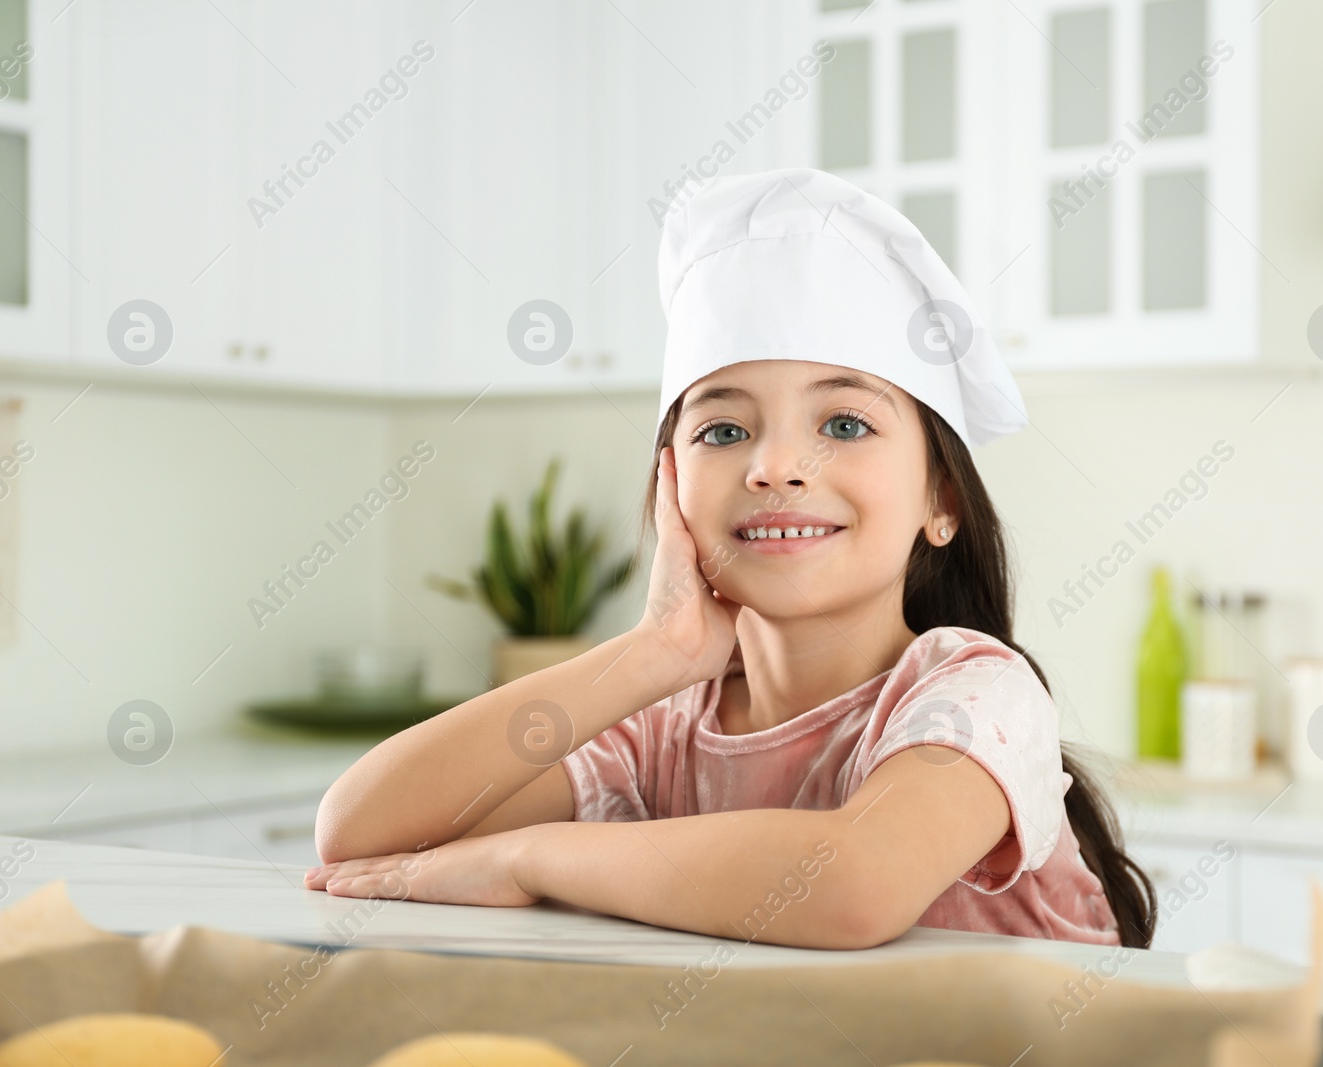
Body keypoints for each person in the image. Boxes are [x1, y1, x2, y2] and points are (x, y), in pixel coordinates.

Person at [307, 167, 1157, 951]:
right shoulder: (665, 728)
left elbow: (854, 882)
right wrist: (654, 653)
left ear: (942, 501)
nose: (775, 465)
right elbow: (359, 832)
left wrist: (526, 858)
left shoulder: (974, 691)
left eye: (845, 424)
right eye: (723, 429)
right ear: (672, 484)